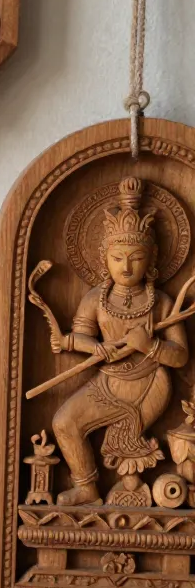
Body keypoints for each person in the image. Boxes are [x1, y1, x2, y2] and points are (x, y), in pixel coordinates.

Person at [51, 178, 189, 506]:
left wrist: (149, 346)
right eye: (117, 258)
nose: (126, 267)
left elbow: (181, 356)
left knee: (125, 434)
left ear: (152, 259)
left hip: (149, 383)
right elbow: (82, 335)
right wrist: (91, 347)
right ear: (104, 259)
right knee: (64, 422)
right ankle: (88, 488)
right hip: (108, 381)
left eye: (136, 258)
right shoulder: (96, 299)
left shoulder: (162, 303)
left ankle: (135, 487)